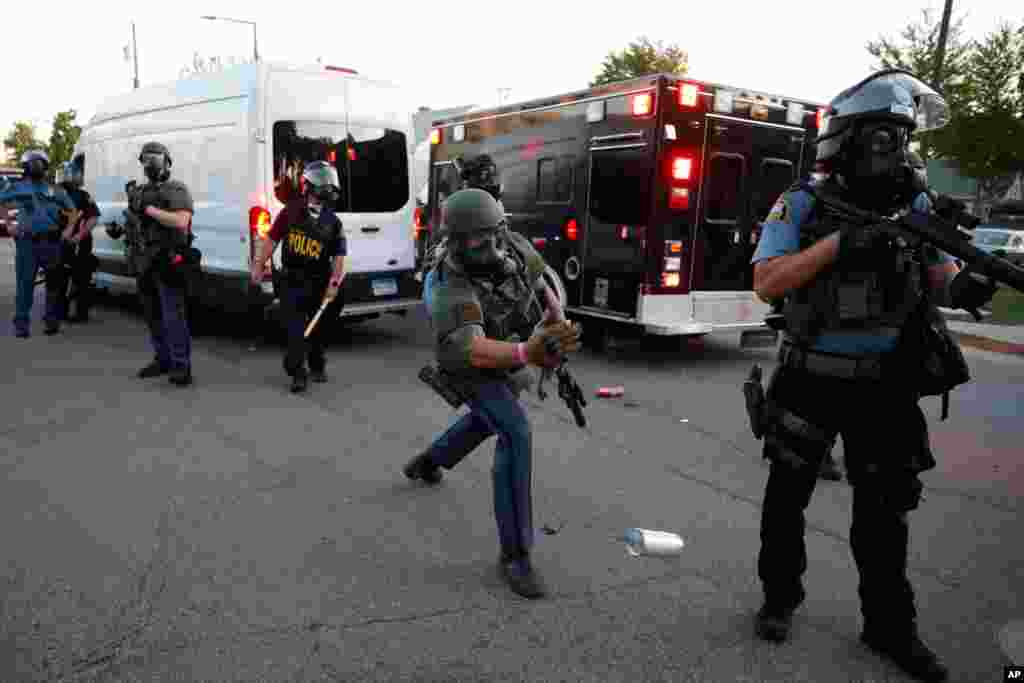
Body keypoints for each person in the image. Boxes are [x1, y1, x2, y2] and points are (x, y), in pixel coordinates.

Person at [749, 70, 997, 683]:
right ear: (852, 139)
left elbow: (938, 279)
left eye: (904, 139)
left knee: (885, 517)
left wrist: (968, 284)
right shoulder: (802, 203)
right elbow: (766, 283)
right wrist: (840, 247)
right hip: (810, 376)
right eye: (886, 137)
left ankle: (889, 627)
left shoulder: (913, 209)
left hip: (886, 385)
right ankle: (780, 599)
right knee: (787, 498)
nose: (899, 151)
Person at [404, 188, 581, 599]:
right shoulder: (448, 284)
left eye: (488, 236)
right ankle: (516, 556)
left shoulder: (514, 246)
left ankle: (430, 460)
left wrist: (559, 325)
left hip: (505, 345)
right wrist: (527, 351)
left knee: (493, 418)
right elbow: (473, 349)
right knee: (514, 431)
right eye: (470, 239)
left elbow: (539, 287)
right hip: (469, 362)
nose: (482, 246)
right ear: (455, 239)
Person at [251, 161, 346, 393]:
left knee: (316, 328)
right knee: (295, 327)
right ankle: (297, 373)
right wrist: (258, 265)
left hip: (319, 279)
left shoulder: (333, 222)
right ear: (310, 186)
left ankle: (317, 364)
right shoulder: (290, 212)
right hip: (292, 279)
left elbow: (339, 256)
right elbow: (271, 241)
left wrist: (334, 282)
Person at [129, 142, 196, 386]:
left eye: (153, 159)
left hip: (169, 258)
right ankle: (163, 358)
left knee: (173, 315)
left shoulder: (177, 189)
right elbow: (135, 222)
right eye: (145, 160)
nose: (149, 164)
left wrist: (149, 211)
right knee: (152, 314)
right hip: (145, 258)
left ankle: (181, 365)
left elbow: (181, 221)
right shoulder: (140, 190)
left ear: (165, 160)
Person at [0, 150, 74, 338]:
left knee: (53, 285)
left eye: (39, 163)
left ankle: (51, 321)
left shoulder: (56, 190)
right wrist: (9, 224)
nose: (36, 167)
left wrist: (68, 230)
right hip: (27, 243)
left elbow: (73, 211)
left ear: (45, 166)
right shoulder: (17, 187)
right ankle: (21, 325)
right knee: (24, 285)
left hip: (51, 242)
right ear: (26, 167)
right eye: (33, 164)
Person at [57, 158, 101, 323]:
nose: (80, 177)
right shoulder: (56, 194)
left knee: (81, 279)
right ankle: (61, 311)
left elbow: (93, 218)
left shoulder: (82, 196)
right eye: (78, 174)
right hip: (62, 243)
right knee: (60, 279)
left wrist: (78, 236)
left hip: (79, 244)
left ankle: (80, 313)